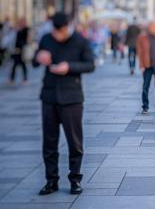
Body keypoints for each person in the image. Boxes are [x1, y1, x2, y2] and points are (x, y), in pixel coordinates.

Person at [34, 12, 95, 196]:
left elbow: (90, 65)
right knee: (49, 142)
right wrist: (38, 56)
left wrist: (69, 67)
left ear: (68, 26)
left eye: (62, 31)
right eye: (56, 32)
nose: (59, 36)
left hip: (72, 98)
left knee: (74, 142)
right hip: (49, 96)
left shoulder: (79, 40)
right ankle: (51, 181)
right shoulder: (46, 39)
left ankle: (75, 180)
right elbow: (35, 62)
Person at [137, 21, 155, 114]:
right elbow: (140, 52)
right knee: (145, 86)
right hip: (147, 65)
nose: (152, 29)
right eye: (150, 27)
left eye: (154, 27)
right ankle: (145, 106)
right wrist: (141, 65)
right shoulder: (142, 37)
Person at [9, 18, 30, 84]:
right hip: (17, 50)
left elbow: (26, 39)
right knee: (15, 65)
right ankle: (13, 79)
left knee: (21, 65)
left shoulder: (26, 29)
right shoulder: (18, 30)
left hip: (22, 50)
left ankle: (24, 79)